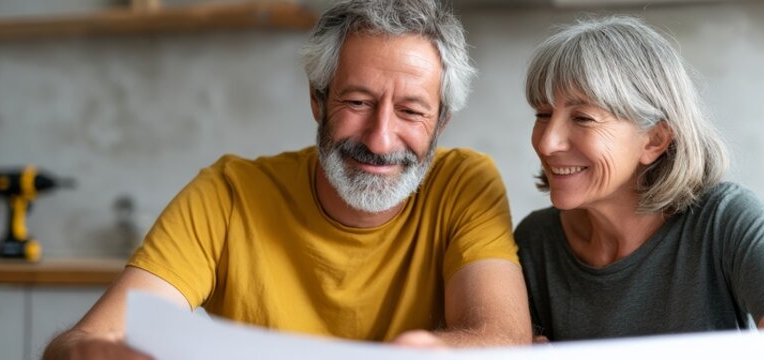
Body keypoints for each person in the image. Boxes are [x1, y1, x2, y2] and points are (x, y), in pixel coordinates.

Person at [44, 1, 531, 358]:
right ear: (318, 100)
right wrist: (90, 354)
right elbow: (84, 342)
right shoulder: (227, 195)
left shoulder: (464, 183)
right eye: (357, 102)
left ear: (441, 123)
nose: (381, 139)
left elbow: (504, 336)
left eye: (411, 111)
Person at [514, 15, 764, 341]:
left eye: (583, 118)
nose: (546, 142)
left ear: (654, 140)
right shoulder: (535, 242)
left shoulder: (726, 221)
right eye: (543, 114)